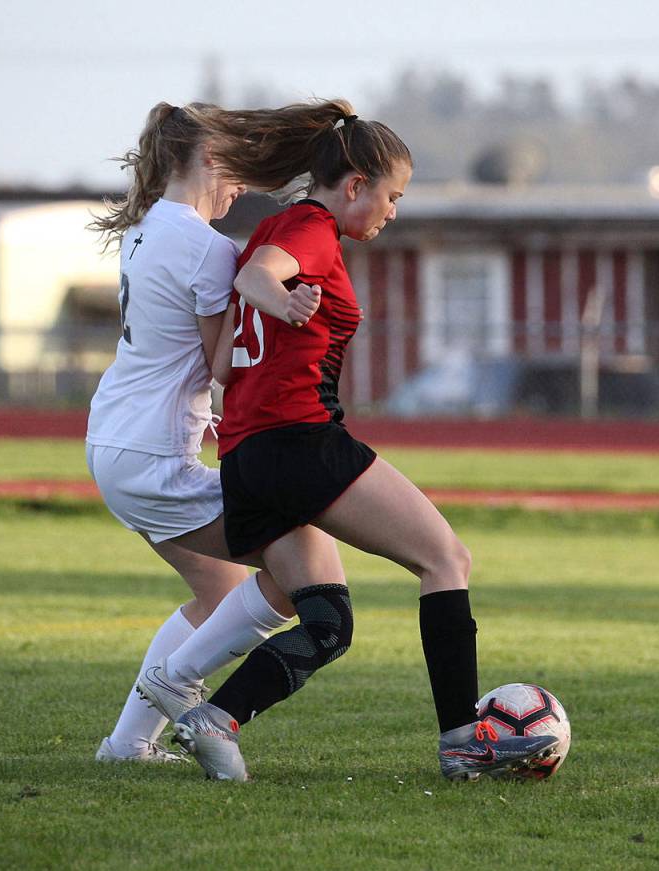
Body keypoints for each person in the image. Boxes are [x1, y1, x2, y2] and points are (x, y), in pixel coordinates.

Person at [158, 100, 559, 781]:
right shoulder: (311, 230)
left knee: (328, 621)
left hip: (246, 457)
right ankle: (462, 739)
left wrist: (272, 312)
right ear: (353, 187)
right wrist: (281, 300)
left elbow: (224, 364)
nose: (392, 211)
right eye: (391, 196)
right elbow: (260, 282)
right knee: (446, 558)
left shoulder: (265, 231)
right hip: (299, 440)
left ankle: (215, 716)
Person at [85, 101, 333, 763]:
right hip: (149, 453)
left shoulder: (145, 229)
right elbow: (220, 363)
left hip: (114, 438)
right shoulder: (206, 248)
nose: (243, 187)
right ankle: (179, 684)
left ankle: (128, 743)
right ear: (210, 160)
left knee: (219, 591)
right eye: (238, 172)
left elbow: (182, 356)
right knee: (298, 568)